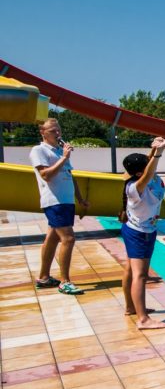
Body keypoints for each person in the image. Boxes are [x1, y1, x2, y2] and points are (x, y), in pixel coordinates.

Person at [30, 118, 89, 295]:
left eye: (58, 130)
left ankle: (44, 277)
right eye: (53, 131)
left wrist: (80, 199)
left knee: (52, 239)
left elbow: (70, 176)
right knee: (68, 239)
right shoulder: (39, 150)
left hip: (66, 201)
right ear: (43, 132)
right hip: (54, 201)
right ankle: (65, 281)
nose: (57, 133)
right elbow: (46, 175)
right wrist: (64, 158)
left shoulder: (59, 151)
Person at [120, 137, 165, 329]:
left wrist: (155, 148)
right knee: (140, 275)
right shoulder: (134, 188)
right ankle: (143, 319)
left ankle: (130, 307)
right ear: (140, 173)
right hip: (139, 233)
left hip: (140, 230)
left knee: (130, 270)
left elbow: (148, 168)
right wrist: (158, 154)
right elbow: (148, 172)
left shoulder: (142, 178)